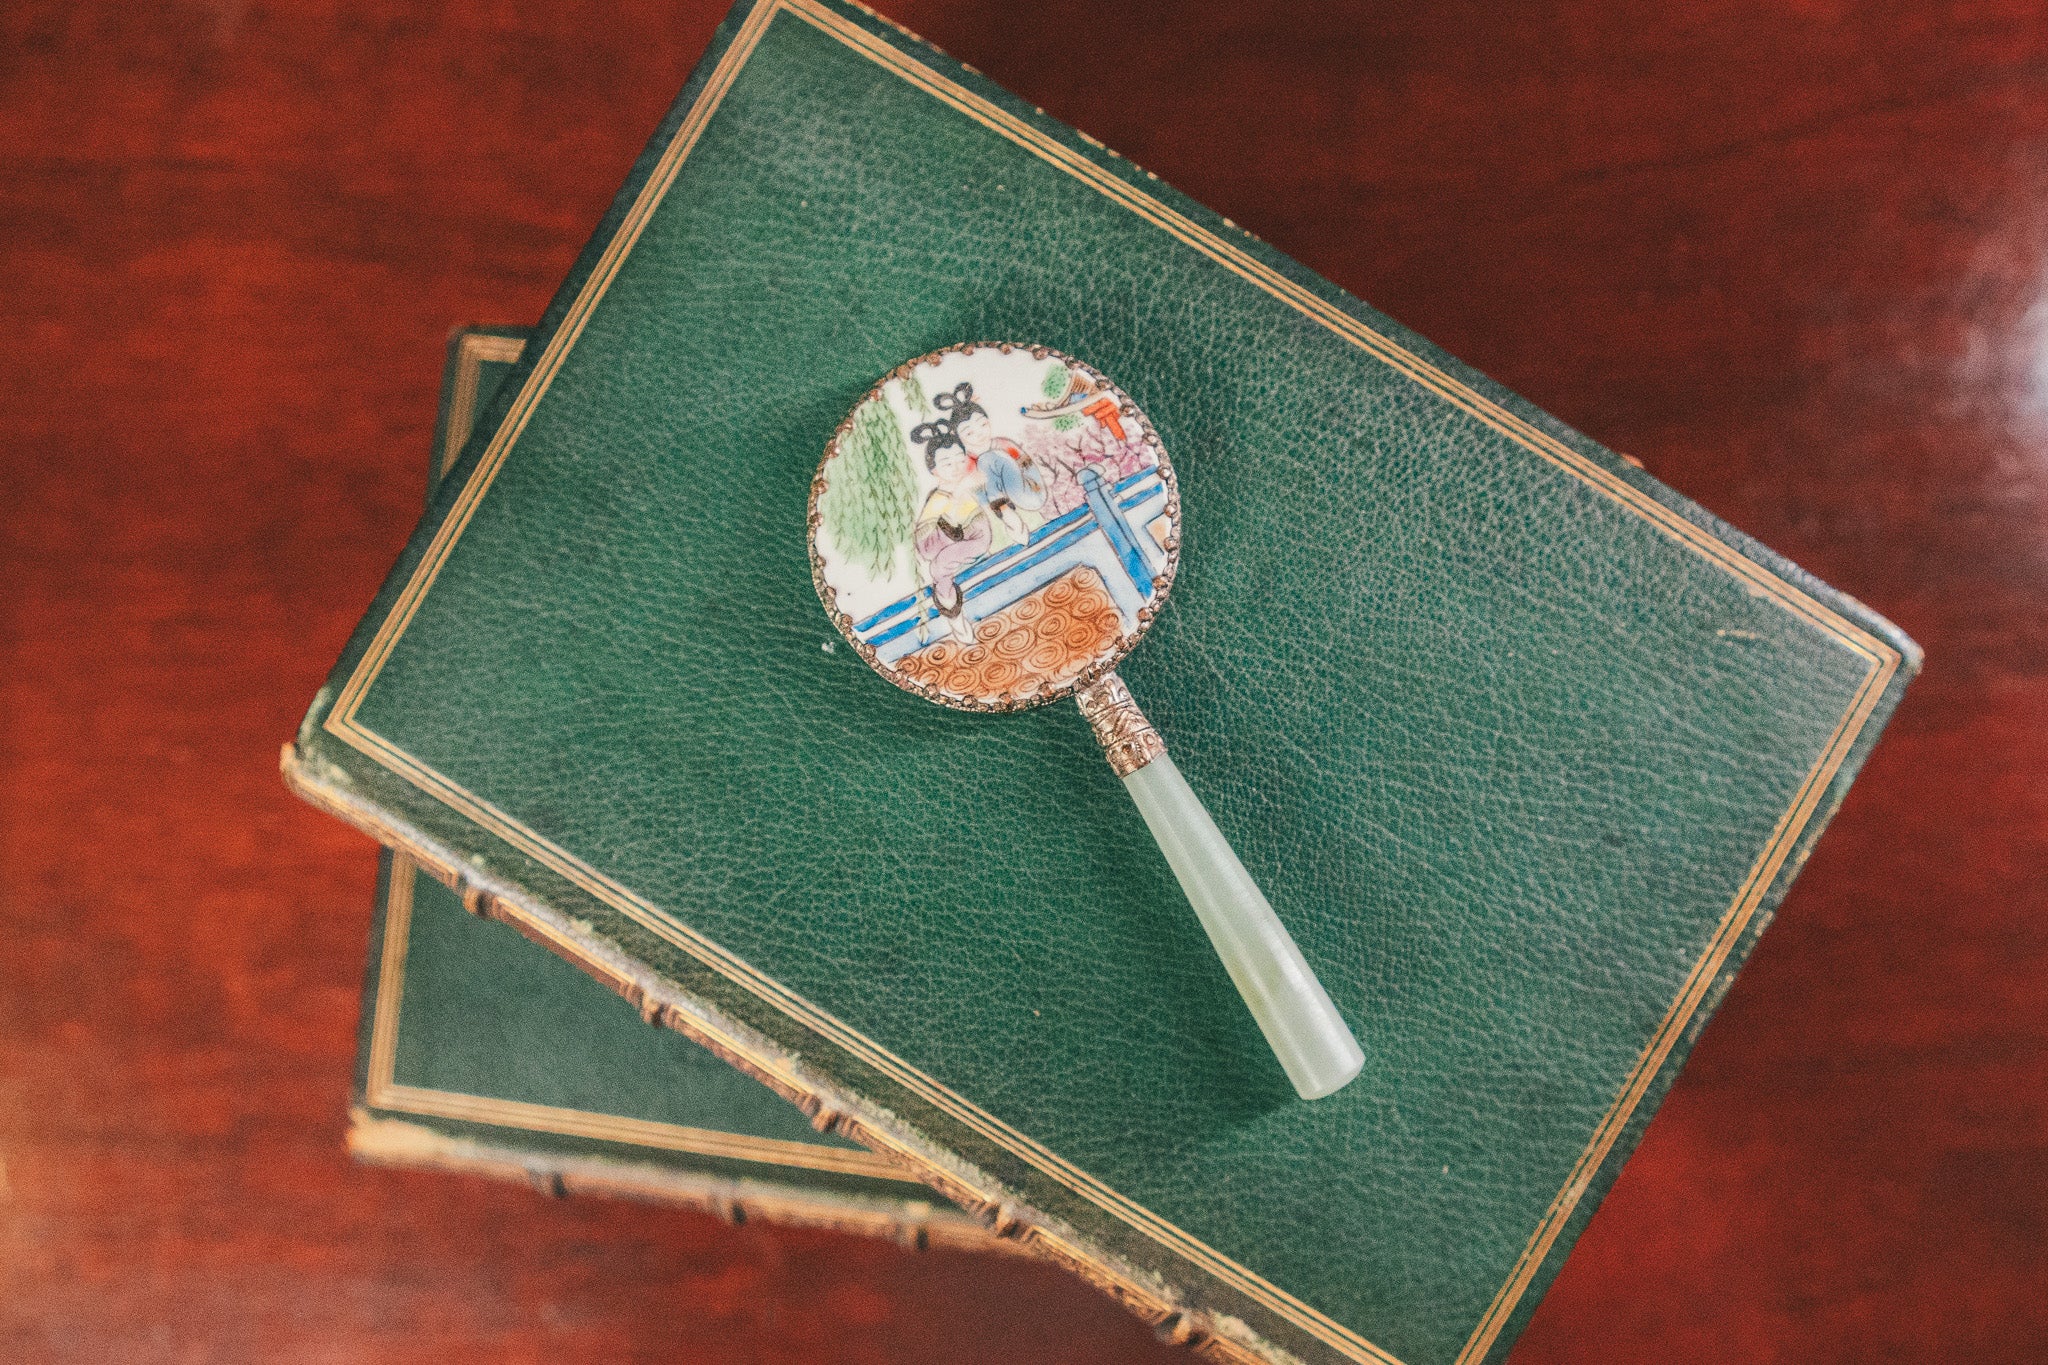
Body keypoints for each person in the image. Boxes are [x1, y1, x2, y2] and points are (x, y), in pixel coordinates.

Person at [909, 417, 993, 646]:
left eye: (960, 459)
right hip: (949, 542)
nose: (956, 467)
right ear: (934, 470)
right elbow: (923, 540)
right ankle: (954, 614)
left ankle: (954, 615)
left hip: (977, 537)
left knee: (939, 565)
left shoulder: (973, 480)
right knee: (934, 557)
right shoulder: (936, 498)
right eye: (947, 463)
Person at [934, 382, 1048, 545]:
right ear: (958, 436)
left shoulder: (1003, 445)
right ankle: (1004, 514)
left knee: (989, 460)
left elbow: (1026, 468)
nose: (979, 434)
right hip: (996, 508)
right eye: (969, 432)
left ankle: (1006, 514)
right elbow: (974, 489)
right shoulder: (968, 462)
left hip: (1031, 492)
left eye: (983, 424)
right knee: (977, 474)